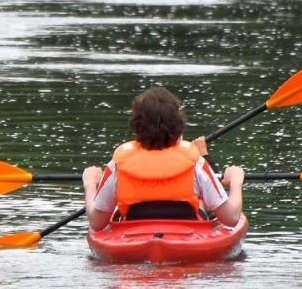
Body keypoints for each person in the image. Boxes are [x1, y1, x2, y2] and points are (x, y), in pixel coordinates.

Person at [82, 87, 245, 231]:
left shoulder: (118, 164)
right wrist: (236, 180)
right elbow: (231, 218)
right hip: (186, 237)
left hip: (134, 236)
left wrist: (90, 184)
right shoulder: (196, 162)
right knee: (201, 203)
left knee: (116, 210)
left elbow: (97, 222)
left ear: (136, 125)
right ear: (178, 125)